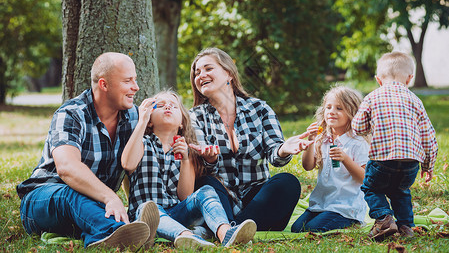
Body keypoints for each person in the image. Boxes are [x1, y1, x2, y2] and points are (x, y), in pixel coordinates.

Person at [16, 52, 159, 250]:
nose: (136, 87)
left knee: (88, 205)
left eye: (135, 79)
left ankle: (117, 232)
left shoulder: (133, 116)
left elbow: (132, 168)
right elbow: (67, 168)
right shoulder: (71, 114)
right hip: (44, 200)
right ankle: (120, 232)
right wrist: (111, 197)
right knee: (71, 194)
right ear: (104, 84)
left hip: (92, 207)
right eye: (128, 81)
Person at [189, 47, 308, 231]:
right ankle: (233, 228)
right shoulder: (194, 117)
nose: (201, 75)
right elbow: (201, 166)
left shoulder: (259, 109)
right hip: (221, 199)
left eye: (208, 68)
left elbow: (274, 154)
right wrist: (209, 159)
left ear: (228, 73)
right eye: (197, 72)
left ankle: (230, 229)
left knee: (287, 182)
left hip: (257, 198)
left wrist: (283, 149)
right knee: (206, 183)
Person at [122, 90, 257, 249]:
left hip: (176, 213)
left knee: (206, 190)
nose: (168, 108)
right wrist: (142, 121)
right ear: (150, 121)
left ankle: (226, 233)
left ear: (181, 123)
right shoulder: (142, 143)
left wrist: (186, 159)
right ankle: (188, 236)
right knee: (152, 208)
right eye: (160, 105)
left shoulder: (184, 153)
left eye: (173, 106)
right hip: (146, 217)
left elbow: (185, 196)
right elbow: (127, 164)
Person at [352, 51, 439, 241]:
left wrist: (369, 128)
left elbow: (357, 127)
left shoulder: (372, 97)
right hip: (410, 162)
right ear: (409, 78)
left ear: (378, 79)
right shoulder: (416, 100)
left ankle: (383, 218)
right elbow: (429, 136)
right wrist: (428, 166)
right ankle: (406, 227)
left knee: (371, 188)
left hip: (382, 159)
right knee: (401, 192)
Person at [291, 86, 370, 233]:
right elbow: (307, 166)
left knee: (312, 230)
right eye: (328, 107)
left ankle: (353, 222)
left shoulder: (357, 142)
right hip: (321, 204)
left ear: (352, 113)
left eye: (339, 108)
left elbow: (365, 178)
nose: (332, 112)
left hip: (344, 208)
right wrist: (311, 141)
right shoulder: (323, 138)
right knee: (297, 229)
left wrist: (345, 159)